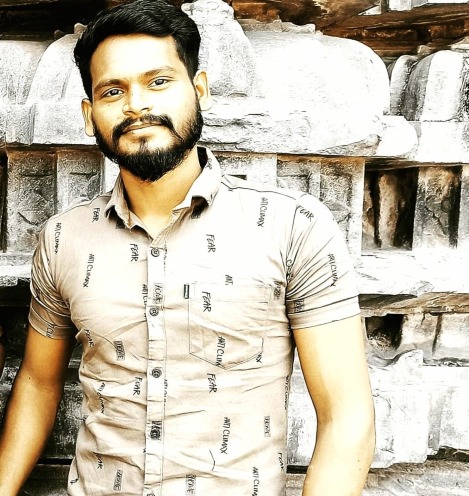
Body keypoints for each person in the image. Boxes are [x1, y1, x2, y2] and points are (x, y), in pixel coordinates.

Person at [0, 1, 375, 494]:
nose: (136, 105)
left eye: (158, 82)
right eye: (113, 90)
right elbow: (37, 382)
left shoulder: (291, 226)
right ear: (90, 115)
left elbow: (346, 415)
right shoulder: (62, 239)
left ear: (199, 90)